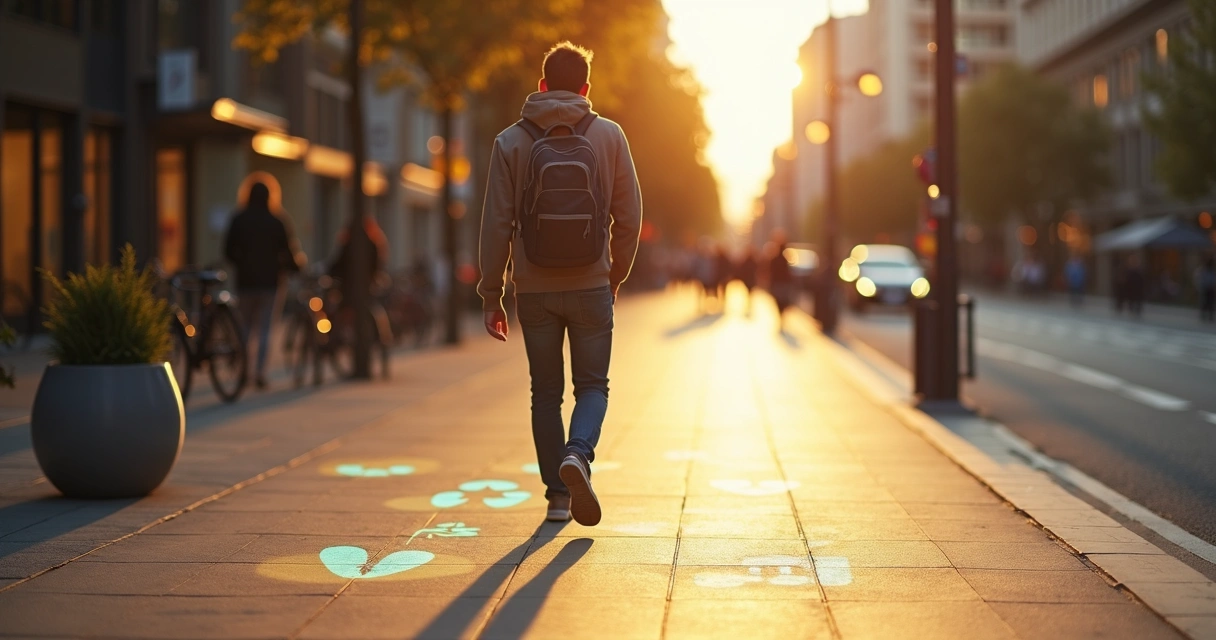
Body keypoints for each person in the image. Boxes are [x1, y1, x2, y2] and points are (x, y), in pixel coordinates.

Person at [477, 42, 642, 526]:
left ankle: (556, 497)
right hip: (592, 284)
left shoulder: (510, 141)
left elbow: (496, 223)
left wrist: (492, 295)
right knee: (592, 385)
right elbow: (629, 216)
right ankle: (579, 454)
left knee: (544, 392)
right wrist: (615, 274)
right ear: (586, 88)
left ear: (542, 84)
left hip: (534, 289)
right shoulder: (609, 136)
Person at [223, 172, 304, 390]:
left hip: (245, 281)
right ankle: (260, 372)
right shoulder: (278, 220)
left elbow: (228, 251)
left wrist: (243, 262)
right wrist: (295, 268)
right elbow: (288, 252)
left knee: (246, 327)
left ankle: (244, 371)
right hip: (271, 282)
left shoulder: (238, 219)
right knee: (266, 329)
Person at [766, 232, 794, 331]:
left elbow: (770, 272)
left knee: (779, 302)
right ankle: (781, 317)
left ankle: (780, 317)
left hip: (777, 284)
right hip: (783, 284)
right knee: (782, 302)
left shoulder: (775, 259)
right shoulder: (786, 258)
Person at [1196, 256, 1215, 323]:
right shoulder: (1203, 270)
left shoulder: (1212, 270)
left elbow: (1213, 279)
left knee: (1210, 302)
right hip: (1205, 288)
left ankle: (1210, 315)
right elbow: (1199, 278)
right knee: (1205, 301)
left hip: (1210, 288)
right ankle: (1203, 314)